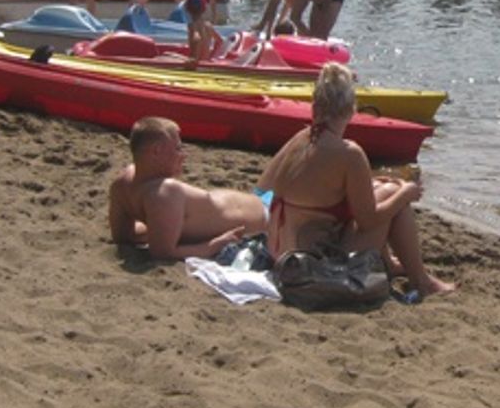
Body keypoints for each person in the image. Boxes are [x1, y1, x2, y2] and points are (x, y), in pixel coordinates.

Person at [256, 63, 454, 300]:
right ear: (352, 110)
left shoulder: (300, 139)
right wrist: (407, 194)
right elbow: (368, 221)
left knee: (380, 187)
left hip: (282, 252)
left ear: (315, 107)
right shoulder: (349, 153)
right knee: (395, 195)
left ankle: (393, 264)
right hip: (316, 263)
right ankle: (421, 281)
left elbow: (262, 191)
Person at [109, 116, 269, 260]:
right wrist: (215, 245)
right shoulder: (163, 192)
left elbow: (123, 236)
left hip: (264, 205)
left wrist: (157, 230)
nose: (183, 155)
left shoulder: (121, 184)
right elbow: (163, 252)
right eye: (177, 148)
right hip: (270, 217)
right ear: (156, 151)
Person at [183, 0, 222, 65]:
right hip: (205, 61)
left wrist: (194, 59)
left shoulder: (192, 26)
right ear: (204, 9)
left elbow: (197, 39)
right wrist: (212, 56)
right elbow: (220, 41)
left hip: (196, 63)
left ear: (187, 9)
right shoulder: (208, 25)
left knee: (167, 54)